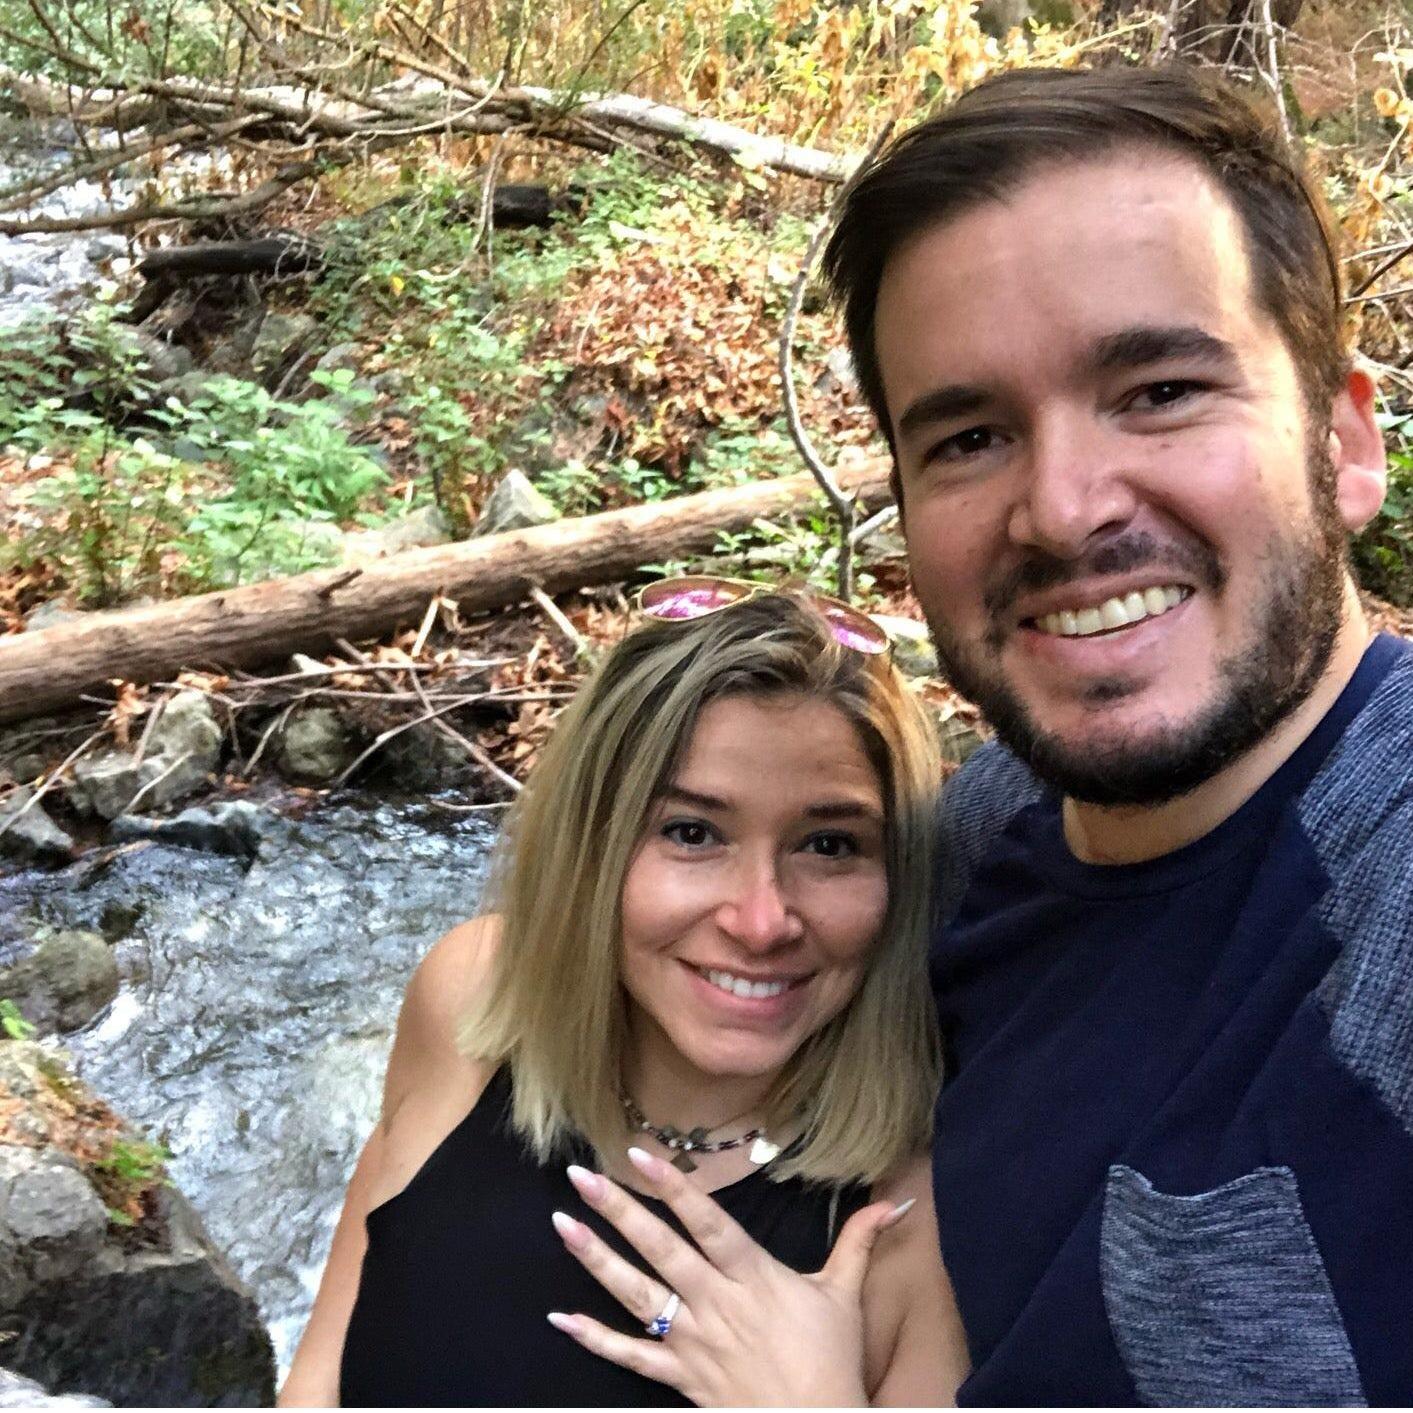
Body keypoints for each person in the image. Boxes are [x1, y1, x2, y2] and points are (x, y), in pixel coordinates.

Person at [560, 64, 1413, 1405]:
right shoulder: (976, 837)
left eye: (1160, 390)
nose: (1063, 511)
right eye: (968, 437)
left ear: (1345, 441)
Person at [277, 582, 969, 1407]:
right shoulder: (472, 1000)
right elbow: (316, 1379)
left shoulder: (922, 1219)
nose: (760, 920)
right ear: (590, 844)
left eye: (829, 844)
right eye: (691, 832)